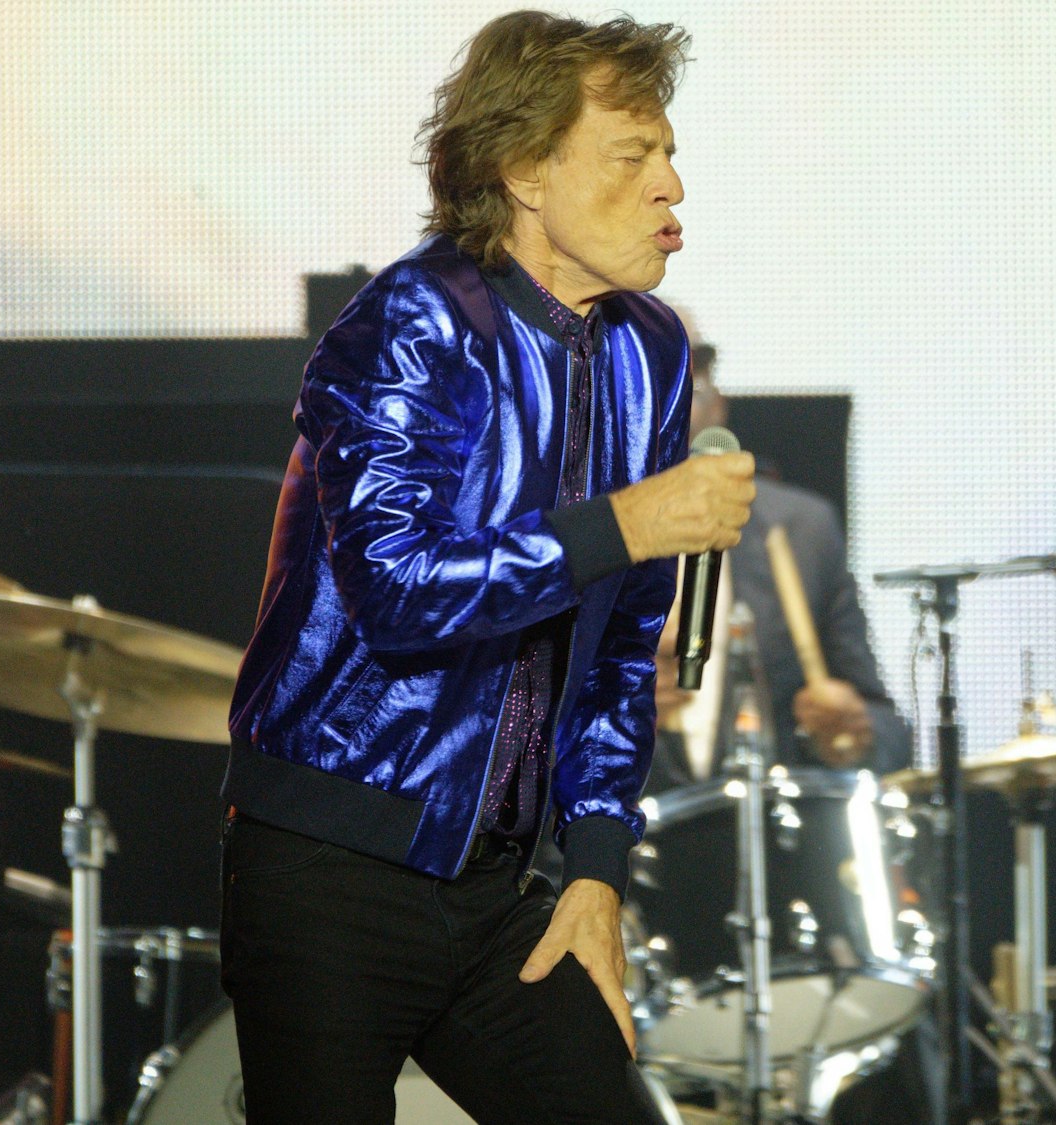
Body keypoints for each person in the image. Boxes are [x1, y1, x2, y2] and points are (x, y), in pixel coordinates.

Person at [220, 12, 754, 1123]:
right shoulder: (411, 323)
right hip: (331, 867)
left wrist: (598, 861)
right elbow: (397, 590)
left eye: (669, 152)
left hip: (502, 883)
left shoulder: (649, 349)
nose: (674, 188)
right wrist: (625, 522)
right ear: (521, 169)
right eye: (633, 154)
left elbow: (620, 644)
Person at [645, 330, 912, 783]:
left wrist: (850, 734)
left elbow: (888, 732)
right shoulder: (552, 533)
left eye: (689, 383)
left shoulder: (800, 530)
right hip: (611, 837)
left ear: (717, 408)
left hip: (765, 833)